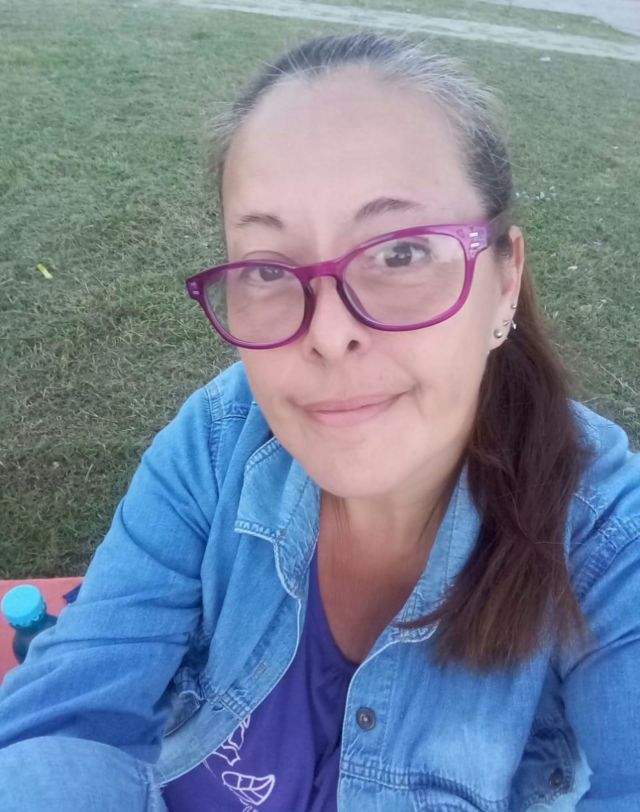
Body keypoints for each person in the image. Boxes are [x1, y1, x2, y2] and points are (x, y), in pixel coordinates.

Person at [0, 29, 639, 812]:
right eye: (270, 269)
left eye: (401, 253)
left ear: (505, 282)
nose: (329, 334)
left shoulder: (609, 539)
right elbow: (67, 720)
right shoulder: (216, 444)